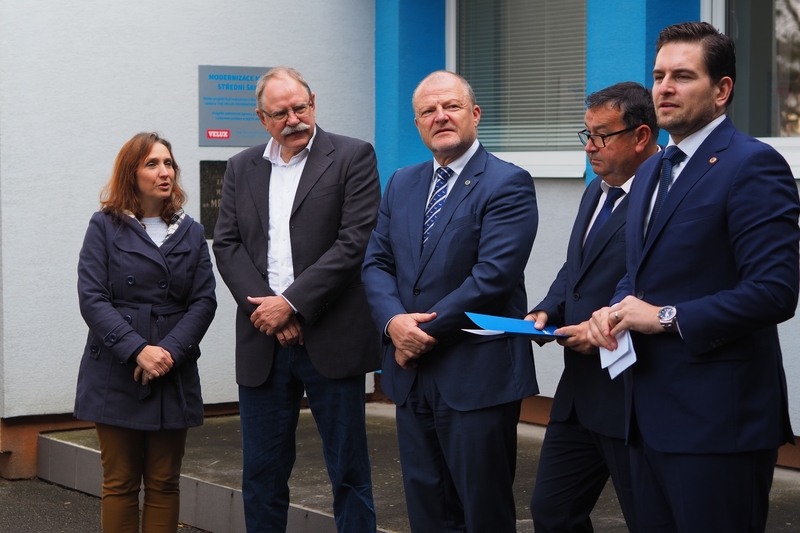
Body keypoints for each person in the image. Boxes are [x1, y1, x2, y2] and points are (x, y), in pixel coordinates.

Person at [587, 22, 800, 533]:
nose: (664, 88)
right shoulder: (651, 170)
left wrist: (664, 317)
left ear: (721, 90)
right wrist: (613, 309)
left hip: (718, 425)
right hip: (645, 417)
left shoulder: (753, 165)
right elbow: (639, 272)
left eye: (683, 76)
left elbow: (774, 292)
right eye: (659, 75)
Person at [362, 70, 539, 532]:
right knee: (428, 510)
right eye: (428, 111)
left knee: (482, 512)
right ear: (417, 124)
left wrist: (417, 332)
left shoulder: (507, 183)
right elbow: (376, 263)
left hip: (476, 375)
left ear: (475, 114)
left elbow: (492, 278)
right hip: (412, 376)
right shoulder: (402, 182)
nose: (440, 116)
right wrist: (393, 323)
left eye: (451, 106)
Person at [212, 66, 381, 532]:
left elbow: (355, 241)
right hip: (263, 340)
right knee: (262, 474)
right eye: (280, 113)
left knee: (348, 471)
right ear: (262, 119)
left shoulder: (353, 156)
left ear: (313, 103)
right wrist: (267, 309)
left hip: (331, 336)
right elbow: (227, 245)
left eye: (300, 108)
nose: (293, 120)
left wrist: (291, 304)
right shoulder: (241, 166)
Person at [526, 81, 658, 532]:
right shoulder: (598, 189)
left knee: (649, 518)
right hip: (579, 393)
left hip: (633, 393)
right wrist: (549, 308)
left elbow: (654, 279)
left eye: (601, 136)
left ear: (640, 136)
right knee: (552, 512)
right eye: (587, 135)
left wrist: (604, 325)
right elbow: (576, 268)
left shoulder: (665, 194)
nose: (589, 147)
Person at [75, 132, 217, 532]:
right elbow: (92, 298)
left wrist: (168, 351)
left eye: (168, 163)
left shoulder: (191, 231)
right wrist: (138, 349)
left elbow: (204, 301)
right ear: (131, 173)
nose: (164, 171)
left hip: (173, 368)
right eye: (152, 164)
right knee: (120, 483)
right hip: (116, 368)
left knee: (164, 482)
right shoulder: (104, 226)